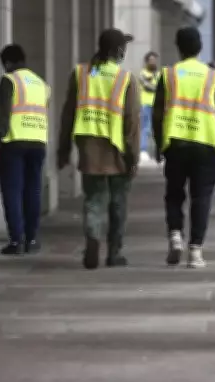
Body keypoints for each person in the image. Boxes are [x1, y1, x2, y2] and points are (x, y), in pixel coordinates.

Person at [152, 26, 215, 268]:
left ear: (178, 48)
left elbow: (158, 115)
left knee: (174, 194)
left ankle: (175, 236)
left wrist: (159, 144)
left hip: (176, 142)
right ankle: (195, 251)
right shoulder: (213, 76)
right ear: (200, 47)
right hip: (205, 144)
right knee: (202, 197)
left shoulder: (168, 75)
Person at [58, 28, 141, 270]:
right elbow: (132, 122)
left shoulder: (82, 74)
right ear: (118, 51)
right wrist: (133, 157)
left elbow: (68, 113)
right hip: (117, 150)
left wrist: (64, 148)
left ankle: (93, 237)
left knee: (93, 199)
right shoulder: (125, 79)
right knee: (118, 203)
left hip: (89, 148)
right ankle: (114, 253)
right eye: (124, 48)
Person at [0, 44, 50, 256]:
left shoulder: (9, 80)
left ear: (7, 63)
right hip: (38, 141)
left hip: (14, 142)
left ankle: (16, 240)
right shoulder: (40, 83)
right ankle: (31, 239)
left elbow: (3, 115)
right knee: (33, 191)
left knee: (13, 191)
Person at [138, 52, 160, 161]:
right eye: (151, 60)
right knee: (145, 128)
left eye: (154, 60)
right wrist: (157, 87)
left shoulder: (159, 74)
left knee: (157, 129)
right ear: (147, 62)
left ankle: (158, 152)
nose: (153, 62)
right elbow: (148, 87)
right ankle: (143, 150)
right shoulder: (142, 74)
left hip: (157, 105)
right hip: (146, 104)